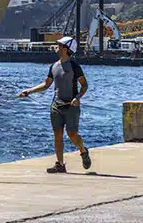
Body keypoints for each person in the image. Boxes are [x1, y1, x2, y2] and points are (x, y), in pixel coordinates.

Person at [19, 36, 92, 173]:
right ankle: (60, 164)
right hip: (56, 106)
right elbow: (46, 84)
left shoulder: (75, 67)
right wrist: (29, 91)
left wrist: (77, 98)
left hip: (71, 107)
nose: (57, 47)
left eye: (59, 45)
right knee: (57, 135)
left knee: (72, 135)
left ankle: (83, 150)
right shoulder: (53, 66)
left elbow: (84, 85)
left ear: (66, 49)